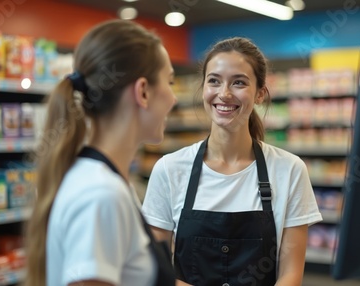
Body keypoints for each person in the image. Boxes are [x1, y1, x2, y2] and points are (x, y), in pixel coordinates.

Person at [142, 37, 323, 286]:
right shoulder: (169, 169)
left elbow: (290, 274)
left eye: (239, 82)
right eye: (214, 81)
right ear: (203, 88)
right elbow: (157, 271)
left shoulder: (289, 170)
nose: (224, 94)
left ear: (260, 93)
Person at [24, 20, 177, 286]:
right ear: (142, 91)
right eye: (170, 81)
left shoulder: (102, 180)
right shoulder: (102, 194)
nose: (174, 98)